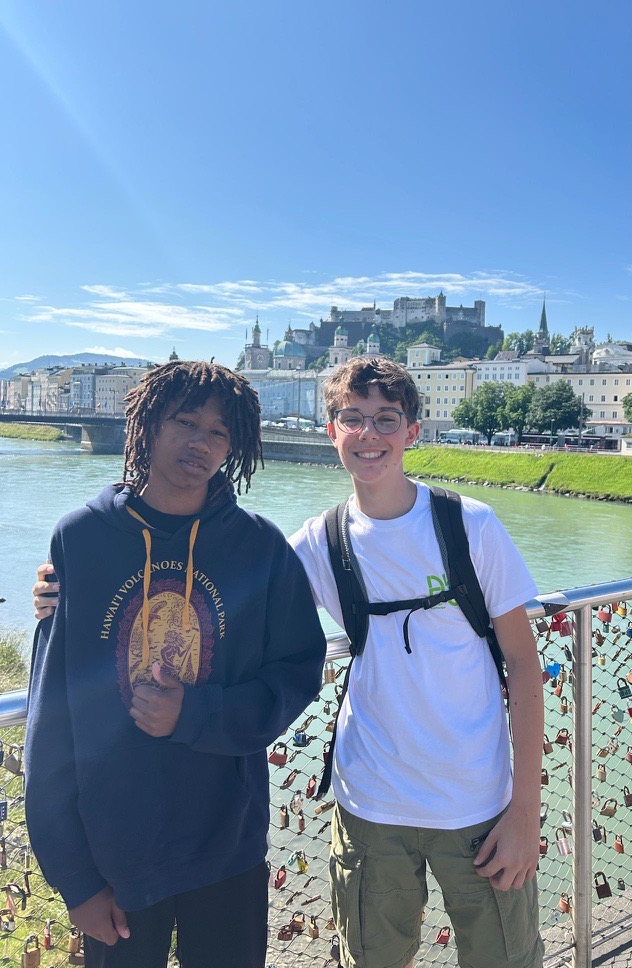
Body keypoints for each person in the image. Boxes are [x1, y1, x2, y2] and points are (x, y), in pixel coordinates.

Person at [26, 360, 326, 968]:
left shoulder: (260, 547)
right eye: (186, 422)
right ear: (147, 426)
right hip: (114, 851)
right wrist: (75, 881)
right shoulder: (82, 538)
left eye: (219, 432)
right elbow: (50, 716)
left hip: (227, 844)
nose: (201, 443)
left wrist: (197, 714)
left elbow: (298, 671)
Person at [288, 357, 544, 968]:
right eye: (352, 418)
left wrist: (525, 812)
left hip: (477, 804)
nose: (368, 434)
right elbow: (232, 599)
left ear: (412, 432)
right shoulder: (319, 541)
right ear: (331, 430)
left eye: (386, 418)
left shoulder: (470, 525)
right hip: (370, 803)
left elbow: (523, 666)